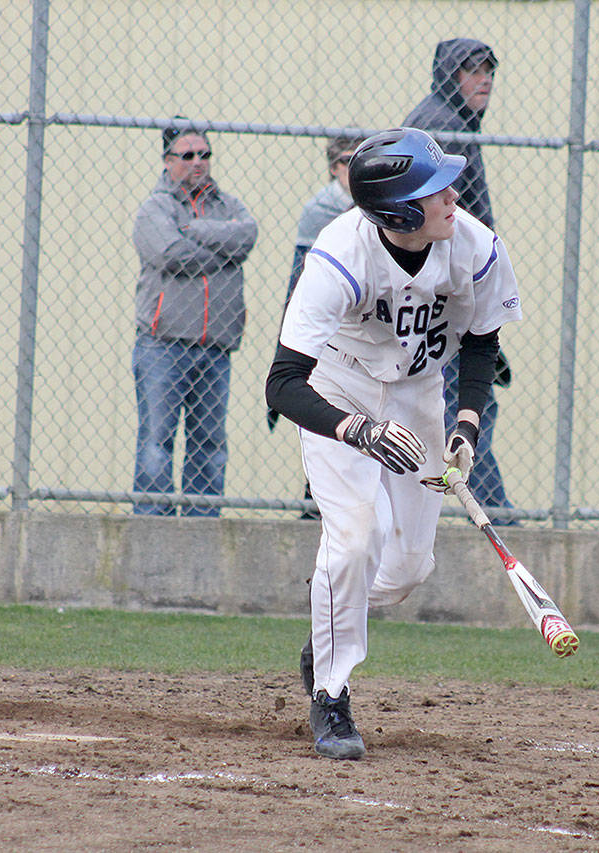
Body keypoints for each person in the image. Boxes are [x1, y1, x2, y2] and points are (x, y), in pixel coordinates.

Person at [265, 128, 522, 759]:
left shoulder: (474, 244)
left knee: (407, 570)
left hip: (417, 398)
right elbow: (282, 384)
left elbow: (484, 341)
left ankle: (329, 620)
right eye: (435, 190)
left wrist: (466, 424)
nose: (452, 196)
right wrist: (360, 431)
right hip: (340, 395)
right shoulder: (338, 256)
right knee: (354, 539)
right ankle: (331, 693)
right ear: (400, 212)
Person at [406, 37, 516, 522]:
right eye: (471, 70)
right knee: (467, 413)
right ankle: (494, 514)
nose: (483, 79)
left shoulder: (452, 122)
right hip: (444, 296)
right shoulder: (444, 125)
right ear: (449, 77)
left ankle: (488, 508)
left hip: (448, 294)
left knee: (462, 404)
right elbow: (452, 223)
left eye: (488, 69)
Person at [131, 121, 258, 515]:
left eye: (204, 154)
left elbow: (248, 235)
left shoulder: (228, 205)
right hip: (163, 345)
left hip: (216, 347)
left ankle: (203, 524)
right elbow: (170, 254)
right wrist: (222, 256)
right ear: (168, 161)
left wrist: (195, 230)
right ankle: (153, 524)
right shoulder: (155, 208)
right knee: (157, 441)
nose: (198, 163)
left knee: (209, 444)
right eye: (187, 156)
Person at [267, 134, 365, 519]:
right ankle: (316, 502)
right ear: (333, 167)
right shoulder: (323, 210)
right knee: (327, 414)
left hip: (366, 336)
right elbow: (301, 282)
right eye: (347, 161)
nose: (354, 169)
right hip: (330, 334)